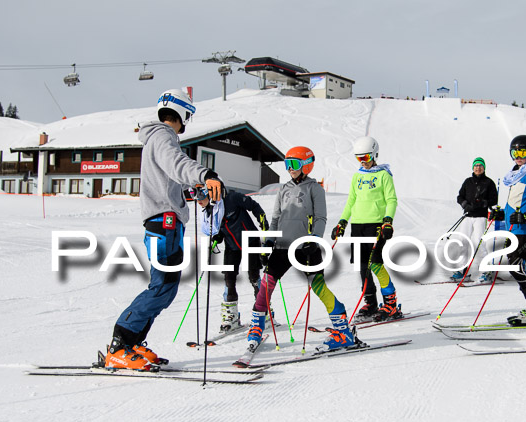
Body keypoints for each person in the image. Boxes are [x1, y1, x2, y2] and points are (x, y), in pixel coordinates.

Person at [104, 89, 223, 370]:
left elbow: (171, 177)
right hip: (163, 222)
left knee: (165, 288)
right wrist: (206, 174)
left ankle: (131, 343)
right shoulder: (163, 136)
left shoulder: (157, 138)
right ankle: (120, 344)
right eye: (188, 117)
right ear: (182, 114)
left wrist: (197, 192)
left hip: (166, 222)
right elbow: (176, 164)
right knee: (162, 287)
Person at [245, 146, 357, 354]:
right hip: (281, 247)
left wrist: (314, 240)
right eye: (287, 165)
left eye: (294, 164)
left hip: (306, 247)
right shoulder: (284, 189)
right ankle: (257, 327)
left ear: (306, 165)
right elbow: (276, 219)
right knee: (265, 285)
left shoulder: (314, 189)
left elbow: (321, 217)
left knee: (318, 286)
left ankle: (343, 330)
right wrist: (268, 242)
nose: (290, 169)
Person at [330, 136, 401, 322]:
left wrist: (388, 221)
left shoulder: (384, 175)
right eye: (359, 158)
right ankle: (370, 303)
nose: (363, 162)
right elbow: (351, 201)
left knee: (376, 263)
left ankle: (391, 304)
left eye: (366, 157)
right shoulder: (357, 176)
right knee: (362, 266)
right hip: (358, 226)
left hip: (376, 225)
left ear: (374, 154)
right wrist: (342, 222)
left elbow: (392, 200)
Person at [490, 135, 526, 326]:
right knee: (516, 266)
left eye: (522, 152)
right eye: (515, 152)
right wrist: (502, 216)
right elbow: (516, 202)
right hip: (514, 228)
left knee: (516, 266)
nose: (518, 156)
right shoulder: (517, 173)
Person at [197, 187, 269, 333]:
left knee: (254, 277)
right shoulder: (210, 211)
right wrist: (218, 236)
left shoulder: (232, 198)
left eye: (200, 199)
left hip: (250, 241)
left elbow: (253, 205)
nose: (198, 202)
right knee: (229, 279)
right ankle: (232, 317)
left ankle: (264, 313)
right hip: (232, 246)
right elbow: (220, 228)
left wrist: (262, 219)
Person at [451, 156, 498, 284]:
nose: (478, 168)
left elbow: (494, 200)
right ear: (473, 167)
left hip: (480, 217)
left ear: (484, 168)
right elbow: (459, 197)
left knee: (478, 242)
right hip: (468, 216)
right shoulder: (468, 182)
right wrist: (465, 204)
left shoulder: (489, 182)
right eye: (476, 166)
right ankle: (462, 271)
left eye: (480, 166)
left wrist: (485, 204)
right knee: (462, 241)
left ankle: (485, 271)